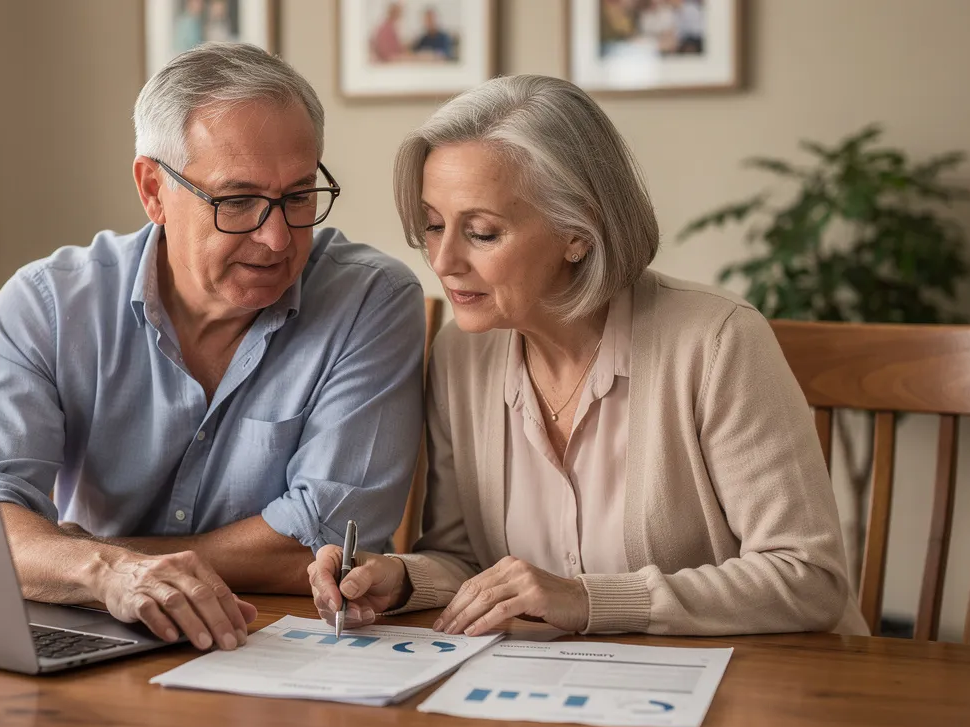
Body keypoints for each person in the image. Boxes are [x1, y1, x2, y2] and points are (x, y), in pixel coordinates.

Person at [308, 74, 867, 638]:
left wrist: (587, 599)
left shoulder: (718, 341)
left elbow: (809, 579)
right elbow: (466, 562)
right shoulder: (460, 355)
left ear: (578, 233)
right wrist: (400, 579)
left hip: (761, 691)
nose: (443, 259)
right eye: (432, 225)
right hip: (569, 696)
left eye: (480, 232)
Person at [0, 43, 425, 652]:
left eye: (298, 195)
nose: (277, 237)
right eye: (236, 201)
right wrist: (107, 575)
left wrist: (83, 557)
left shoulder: (372, 299)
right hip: (103, 633)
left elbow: (324, 542)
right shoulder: (48, 305)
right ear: (154, 190)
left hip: (289, 642)